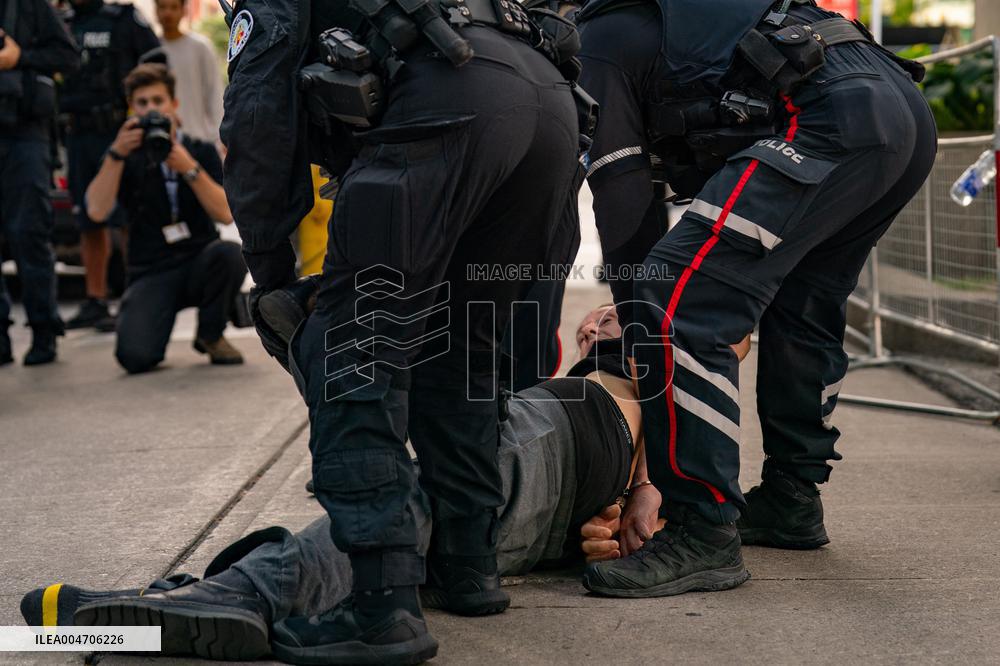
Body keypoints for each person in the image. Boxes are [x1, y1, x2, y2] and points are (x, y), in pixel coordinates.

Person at [222, 0, 582, 659]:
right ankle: (468, 565)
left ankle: (379, 605)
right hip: (549, 106)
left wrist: (271, 270)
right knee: (465, 346)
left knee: (357, 343)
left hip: (446, 99)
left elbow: (256, 119)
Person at [574, 0, 938, 599]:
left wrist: (637, 326)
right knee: (804, 300)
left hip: (828, 115)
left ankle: (700, 529)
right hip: (895, 106)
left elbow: (623, 204)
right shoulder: (652, 23)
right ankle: (792, 500)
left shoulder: (596, 42)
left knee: (676, 295)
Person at [85, 63, 245, 373]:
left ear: (173, 104)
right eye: (142, 103)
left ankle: (211, 335)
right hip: (152, 270)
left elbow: (225, 215)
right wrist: (116, 155)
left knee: (230, 255)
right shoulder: (126, 156)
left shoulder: (198, 150)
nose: (151, 110)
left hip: (200, 259)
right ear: (132, 109)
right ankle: (152, 324)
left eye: (158, 101)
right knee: (135, 357)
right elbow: (96, 211)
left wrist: (188, 167)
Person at [60, 0, 159, 331]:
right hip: (78, 134)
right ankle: (96, 300)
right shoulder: (61, 21)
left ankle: (136, 293)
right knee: (89, 218)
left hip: (119, 128)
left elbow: (155, 63)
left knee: (129, 215)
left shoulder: (124, 18)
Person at [0, 0, 79, 366]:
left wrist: (19, 59)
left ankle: (44, 329)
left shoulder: (30, 5)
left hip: (23, 133)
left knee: (29, 233)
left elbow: (67, 55)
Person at [154, 0, 224, 146]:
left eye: (174, 7)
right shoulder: (151, 49)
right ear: (156, 10)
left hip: (200, 140)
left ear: (183, 10)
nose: (168, 13)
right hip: (162, 140)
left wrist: (219, 137)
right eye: (163, 7)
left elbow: (215, 93)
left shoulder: (201, 47)